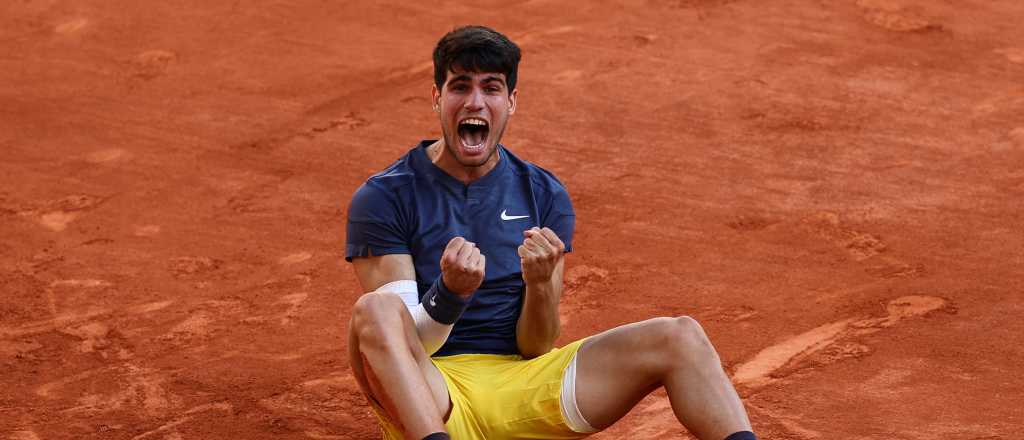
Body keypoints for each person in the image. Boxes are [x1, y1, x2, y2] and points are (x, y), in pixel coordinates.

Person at [345, 25, 758, 440]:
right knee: (375, 312)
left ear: (510, 102)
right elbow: (400, 341)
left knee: (680, 336)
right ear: (437, 98)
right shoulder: (385, 196)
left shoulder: (542, 193)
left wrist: (540, 284)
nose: (475, 101)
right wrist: (449, 294)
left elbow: (536, 347)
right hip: (434, 393)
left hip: (524, 386)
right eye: (459, 87)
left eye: (491, 88)